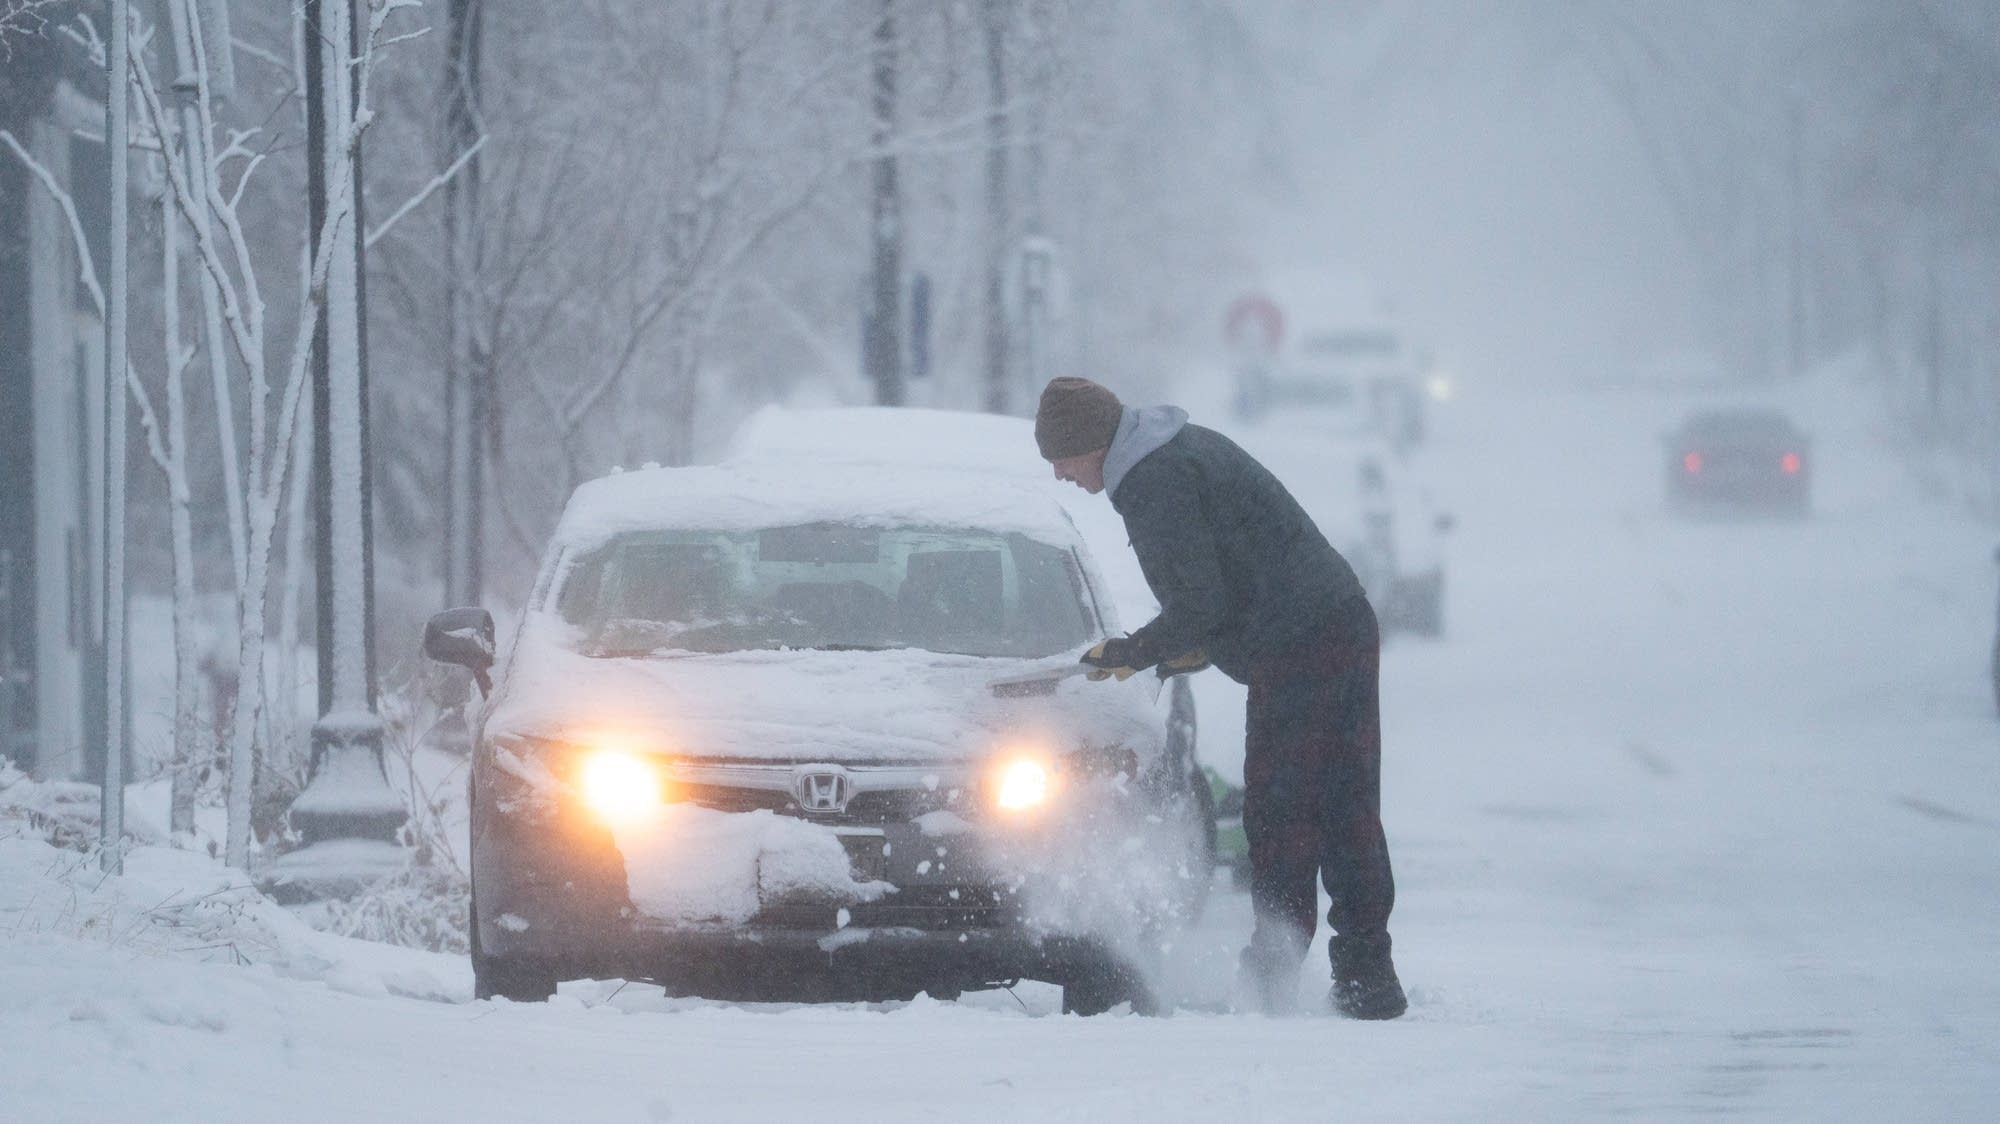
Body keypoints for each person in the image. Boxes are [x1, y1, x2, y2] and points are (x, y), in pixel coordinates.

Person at [1033, 376, 1407, 1019]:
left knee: (1281, 810)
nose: (1062, 475)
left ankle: (1271, 980)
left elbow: (1199, 600)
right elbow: (1230, 574)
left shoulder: (1152, 480)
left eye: (1062, 459)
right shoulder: (1179, 450)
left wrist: (1133, 651)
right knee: (1346, 799)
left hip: (1299, 643)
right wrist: (1197, 642)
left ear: (1091, 443)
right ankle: (1368, 977)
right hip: (1338, 620)